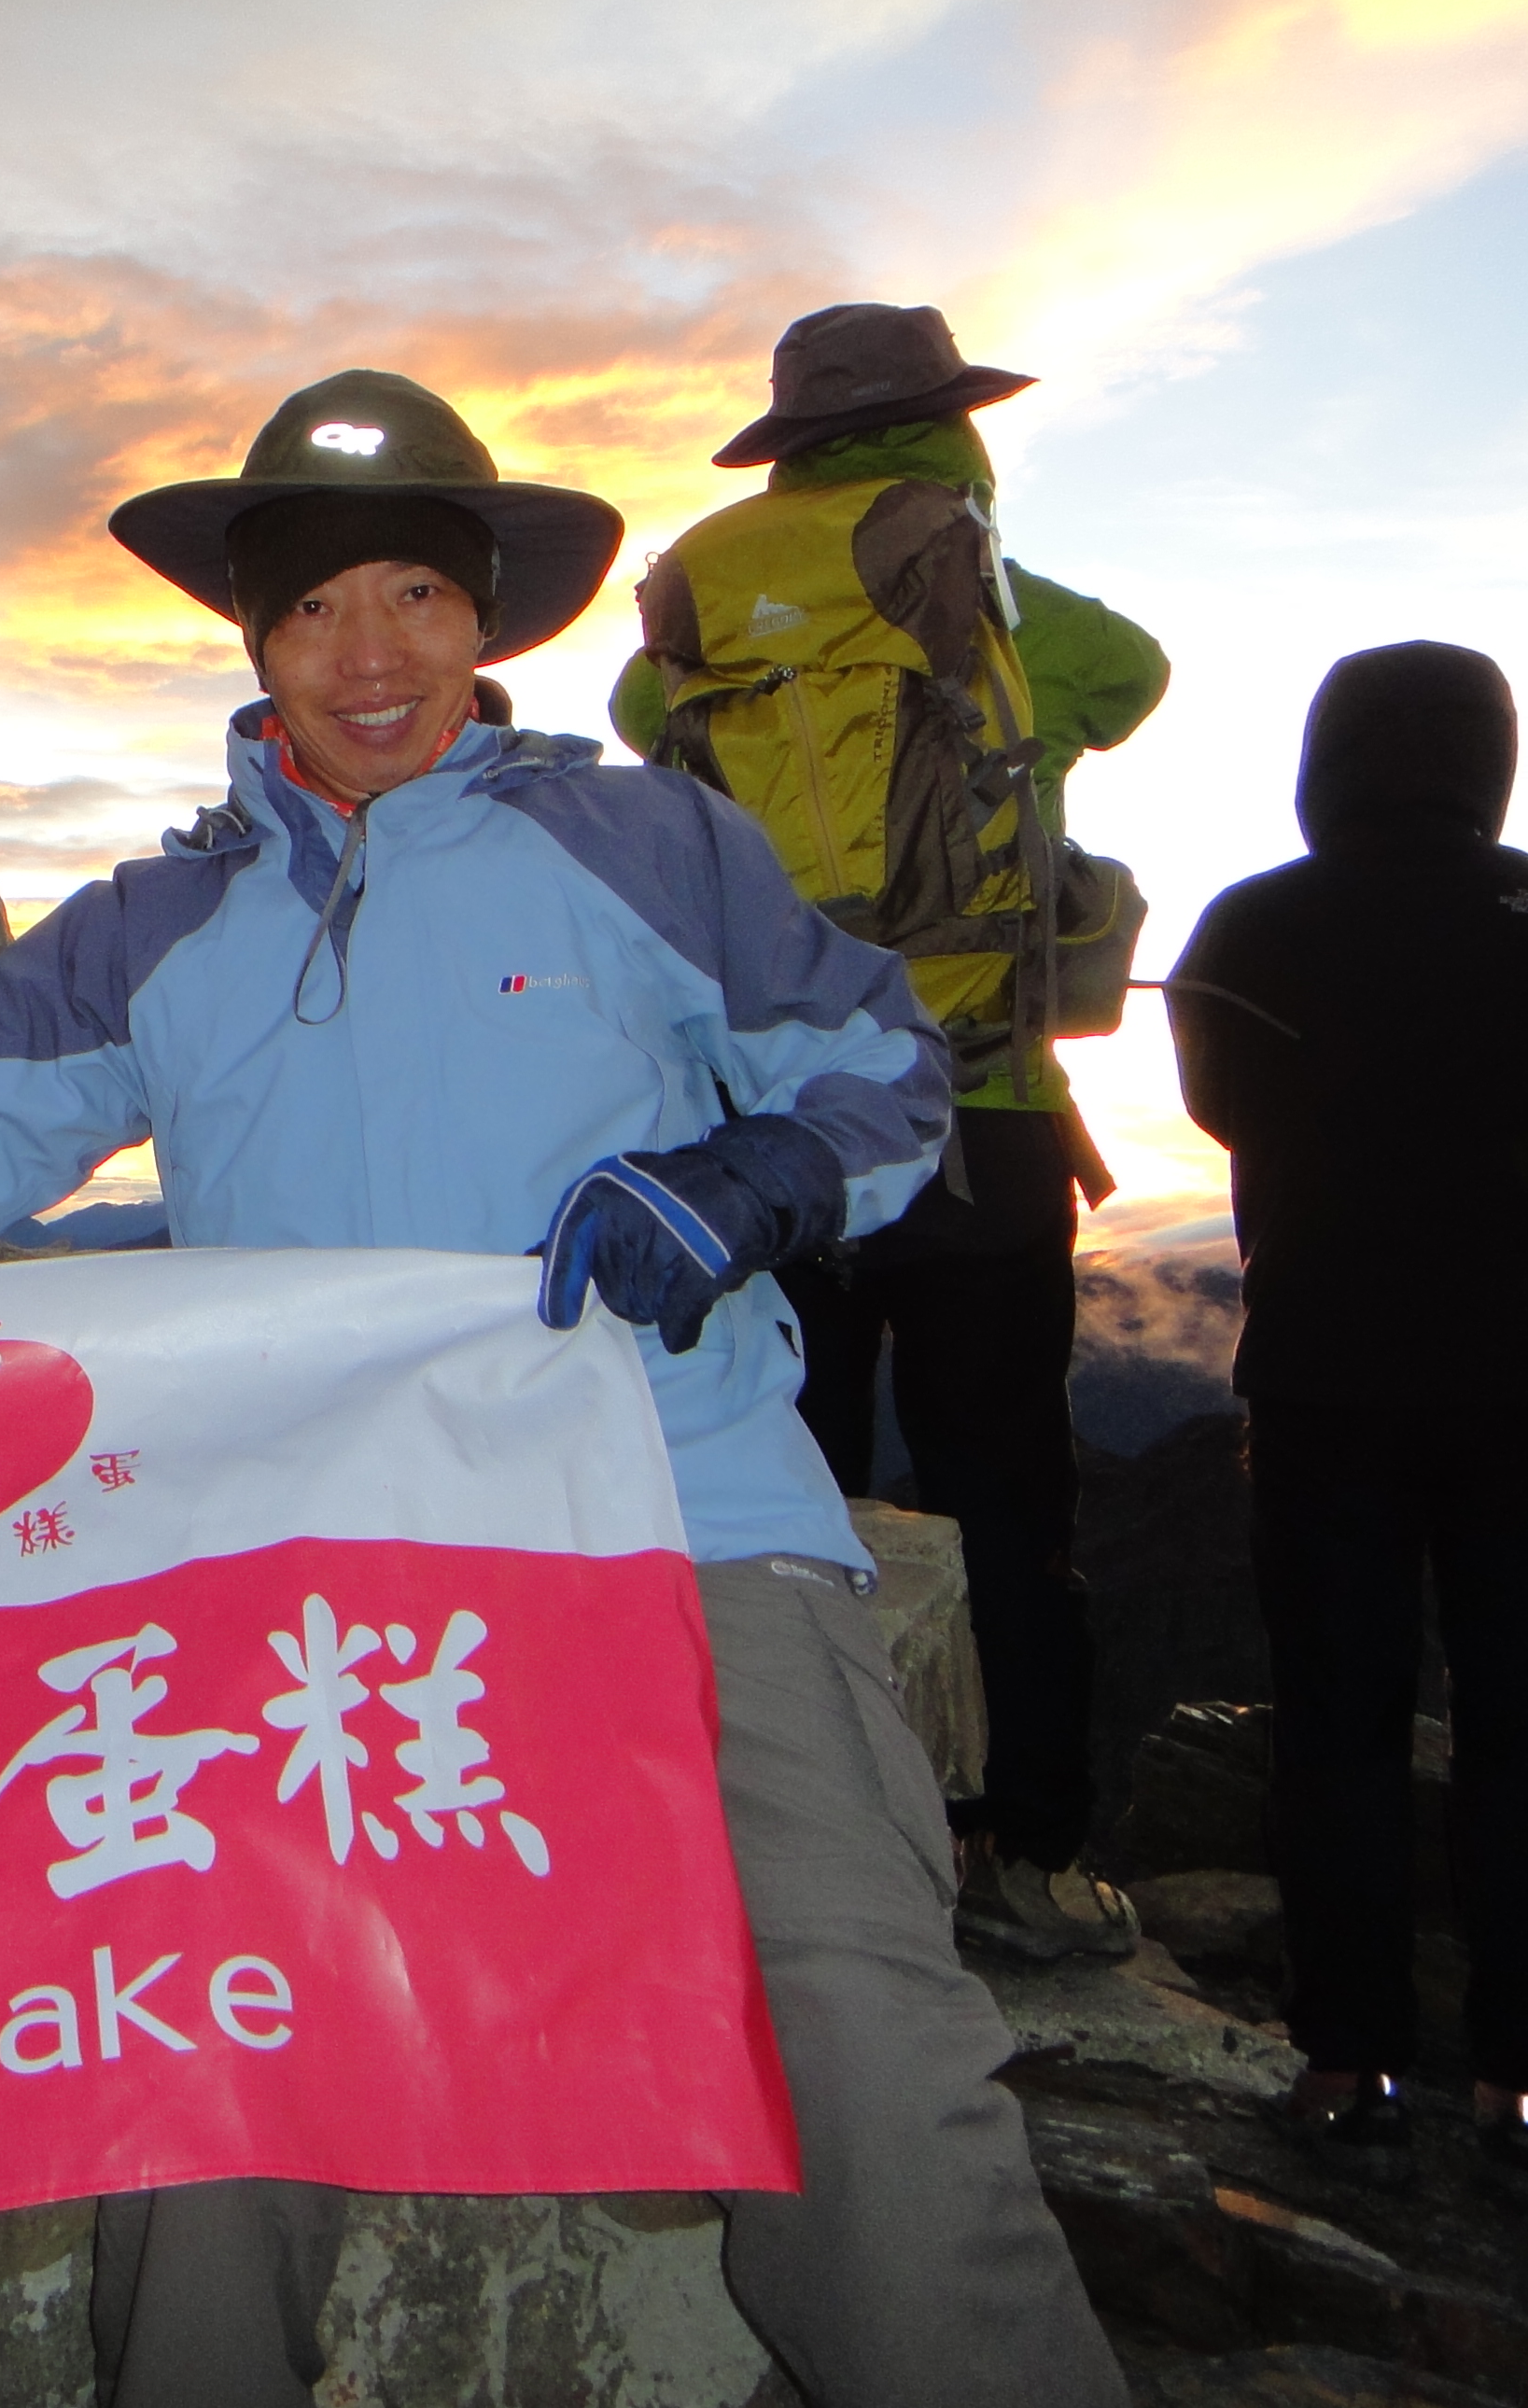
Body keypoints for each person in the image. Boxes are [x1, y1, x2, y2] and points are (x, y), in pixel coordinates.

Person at [0, 375, 1125, 2407]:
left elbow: (879, 1079)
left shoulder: (649, 849)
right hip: (311, 1574)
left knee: (859, 2043)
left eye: (419, 598)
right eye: (320, 606)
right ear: (254, 639)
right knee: (194, 2053)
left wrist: (754, 1178)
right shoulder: (158, 929)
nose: (375, 654)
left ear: (485, 624)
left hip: (673, 1522)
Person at [610, 301, 1171, 1960]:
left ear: (788, 441)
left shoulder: (700, 593)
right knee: (1007, 1494)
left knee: (791, 1475)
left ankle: (794, 1840)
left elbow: (647, 734)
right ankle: (1025, 1853)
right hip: (975, 1117)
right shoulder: (981, 593)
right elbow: (1129, 678)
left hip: (764, 1130)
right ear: (948, 424)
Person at [1171, 640, 1528, 2202]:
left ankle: (1347, 2060)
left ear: (1325, 753)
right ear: (1488, 756)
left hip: (1324, 1369)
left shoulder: (1251, 916)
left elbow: (1220, 1105)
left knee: (1336, 1722)